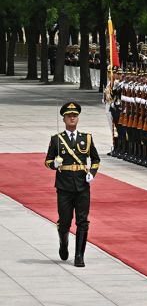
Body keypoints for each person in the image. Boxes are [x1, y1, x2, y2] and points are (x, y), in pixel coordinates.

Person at [45, 101, 100, 267]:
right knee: (65, 221)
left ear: (78, 118)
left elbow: (95, 159)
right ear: (64, 119)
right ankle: (64, 243)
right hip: (64, 186)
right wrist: (54, 163)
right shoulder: (56, 140)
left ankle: (79, 256)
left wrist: (92, 173)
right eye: (69, 116)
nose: (72, 118)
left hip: (82, 186)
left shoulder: (86, 138)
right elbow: (47, 161)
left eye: (75, 116)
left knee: (83, 221)